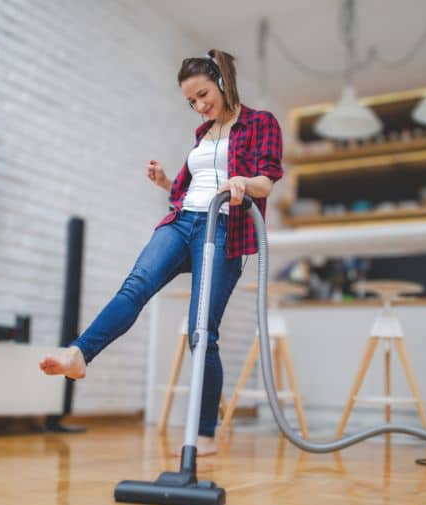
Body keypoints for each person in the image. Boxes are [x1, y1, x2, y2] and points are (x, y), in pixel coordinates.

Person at [40, 49, 283, 456]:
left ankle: (204, 433)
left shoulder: (261, 123)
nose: (199, 106)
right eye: (191, 102)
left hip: (225, 225)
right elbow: (193, 187)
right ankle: (80, 354)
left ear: (223, 83)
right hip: (183, 220)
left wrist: (244, 181)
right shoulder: (202, 135)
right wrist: (167, 182)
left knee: (201, 332)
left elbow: (267, 180)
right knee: (136, 284)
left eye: (203, 95)